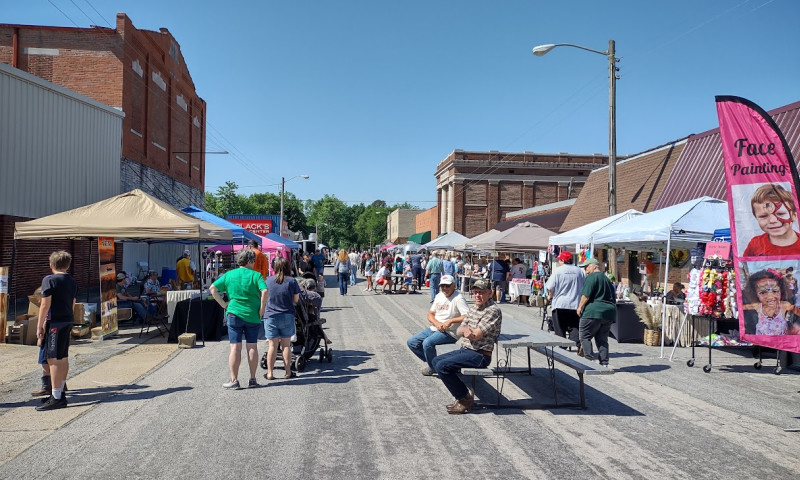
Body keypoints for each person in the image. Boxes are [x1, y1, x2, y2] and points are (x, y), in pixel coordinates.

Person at [431, 279, 502, 414]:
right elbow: (459, 330)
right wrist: (465, 330)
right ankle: (462, 396)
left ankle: (464, 399)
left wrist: (468, 331)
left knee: (442, 366)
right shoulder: (474, 308)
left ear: (490, 293)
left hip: (480, 354)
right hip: (466, 349)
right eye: (475, 292)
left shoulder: (492, 310)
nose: (477, 296)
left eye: (481, 292)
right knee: (435, 362)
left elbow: (476, 335)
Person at [210, 248, 268, 390]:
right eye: (253, 261)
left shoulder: (229, 274)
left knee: (235, 348)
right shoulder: (256, 276)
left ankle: (234, 380)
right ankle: (253, 379)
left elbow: (212, 288)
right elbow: (265, 291)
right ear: (249, 261)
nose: (254, 263)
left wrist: (224, 304)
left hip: (234, 313)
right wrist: (262, 309)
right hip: (252, 315)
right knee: (252, 346)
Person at [35, 250, 77, 411]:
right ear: (68, 265)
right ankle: (59, 391)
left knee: (53, 359)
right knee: (63, 357)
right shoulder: (72, 281)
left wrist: (40, 326)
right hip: (67, 320)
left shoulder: (49, 280)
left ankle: (56, 396)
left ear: (51, 265)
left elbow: (45, 305)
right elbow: (73, 303)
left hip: (55, 323)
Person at [406, 275, 470, 375]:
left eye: (447, 286)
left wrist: (451, 321)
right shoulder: (439, 295)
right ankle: (435, 364)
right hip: (435, 327)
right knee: (412, 342)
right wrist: (437, 323)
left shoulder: (458, 298)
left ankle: (434, 366)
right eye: (442, 286)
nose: (444, 288)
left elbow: (467, 316)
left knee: (427, 343)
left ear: (453, 285)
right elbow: (430, 314)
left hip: (450, 332)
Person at [263, 256, 301, 380]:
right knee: (286, 345)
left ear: (274, 268)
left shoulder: (267, 280)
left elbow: (264, 297)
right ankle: (288, 372)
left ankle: (270, 373)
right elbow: (296, 300)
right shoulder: (292, 281)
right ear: (288, 267)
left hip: (271, 316)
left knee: (272, 346)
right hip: (287, 315)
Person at [576, 258, 617, 367]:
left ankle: (588, 360)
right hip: (608, 312)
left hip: (593, 311)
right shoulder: (607, 279)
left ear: (594, 266)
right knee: (602, 339)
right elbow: (613, 297)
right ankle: (604, 363)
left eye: (587, 267)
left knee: (584, 336)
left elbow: (586, 295)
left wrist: (580, 307)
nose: (586, 271)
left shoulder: (592, 277)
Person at [743, 184, 800, 256]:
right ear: (756, 218)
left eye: (780, 214)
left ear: (794, 215)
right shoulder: (755, 244)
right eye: (764, 216)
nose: (773, 220)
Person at [545, 251, 585, 347]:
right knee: (575, 326)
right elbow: (585, 286)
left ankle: (563, 346)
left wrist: (550, 296)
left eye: (560, 260)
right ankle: (577, 343)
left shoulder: (558, 271)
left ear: (563, 260)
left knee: (560, 327)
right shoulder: (580, 271)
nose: (559, 262)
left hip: (560, 303)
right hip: (575, 303)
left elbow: (550, 287)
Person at [742, 270, 796, 335]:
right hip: (761, 342)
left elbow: (797, 311)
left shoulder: (784, 305)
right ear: (755, 294)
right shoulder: (758, 306)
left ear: (781, 291)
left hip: (780, 343)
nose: (770, 296)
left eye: (775, 291)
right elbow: (741, 307)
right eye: (762, 292)